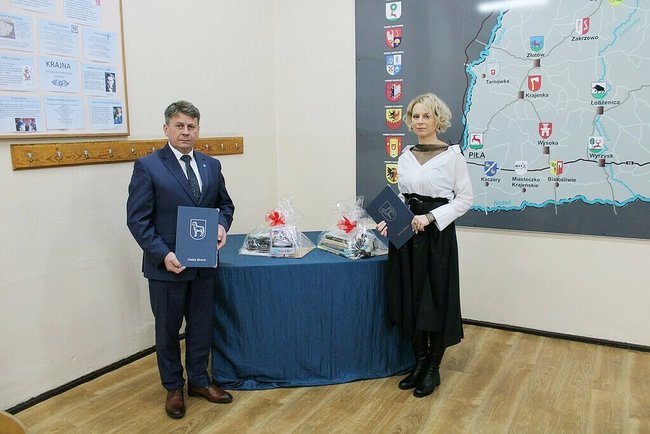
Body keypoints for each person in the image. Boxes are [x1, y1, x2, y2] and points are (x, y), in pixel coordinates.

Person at [126, 100, 235, 419]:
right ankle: (173, 387)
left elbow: (225, 206)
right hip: (167, 266)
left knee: (201, 326)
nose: (186, 132)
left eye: (191, 126)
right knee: (168, 330)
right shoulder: (148, 166)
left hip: (203, 264)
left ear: (198, 130)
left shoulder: (211, 165)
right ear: (166, 129)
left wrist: (221, 226)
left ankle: (199, 381)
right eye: (179, 126)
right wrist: (163, 254)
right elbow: (138, 219)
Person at [376, 92, 473, 398]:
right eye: (415, 116)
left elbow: (465, 200)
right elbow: (404, 195)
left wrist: (431, 217)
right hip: (407, 236)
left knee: (435, 300)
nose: (420, 121)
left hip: (436, 238)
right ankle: (418, 362)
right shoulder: (405, 155)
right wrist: (389, 219)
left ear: (437, 119)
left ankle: (433, 367)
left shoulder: (452, 156)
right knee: (411, 297)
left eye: (426, 116)